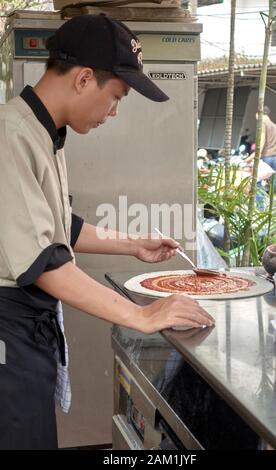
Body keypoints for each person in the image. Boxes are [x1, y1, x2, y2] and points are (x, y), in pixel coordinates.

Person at [0, 14, 214, 450]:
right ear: (83, 80)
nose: (114, 112)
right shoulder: (11, 136)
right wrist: (141, 315)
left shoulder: (45, 133)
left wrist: (134, 244)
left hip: (26, 333)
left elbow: (60, 228)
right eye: (116, 96)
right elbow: (45, 264)